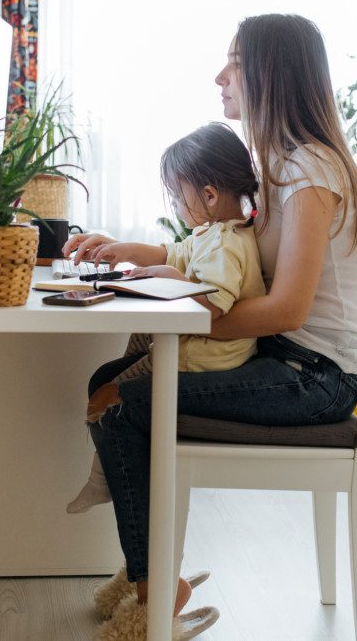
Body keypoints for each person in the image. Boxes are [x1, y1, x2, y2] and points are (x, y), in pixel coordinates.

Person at [63, 13, 357, 640]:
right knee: (112, 382)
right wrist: (136, 261)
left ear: (270, 74)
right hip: (286, 361)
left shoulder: (309, 171)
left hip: (317, 378)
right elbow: (208, 254)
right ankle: (149, 571)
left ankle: (154, 590)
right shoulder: (280, 169)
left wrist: (179, 319)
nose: (219, 76)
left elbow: (289, 310)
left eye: (232, 63)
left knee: (124, 407)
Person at [65, 121, 265, 516]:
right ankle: (104, 476)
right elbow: (172, 255)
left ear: (209, 195)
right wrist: (120, 248)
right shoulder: (212, 233)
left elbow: (212, 306)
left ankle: (103, 479)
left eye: (176, 196)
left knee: (105, 398)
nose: (173, 205)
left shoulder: (226, 244)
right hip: (196, 348)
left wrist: (170, 280)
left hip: (204, 357)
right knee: (129, 346)